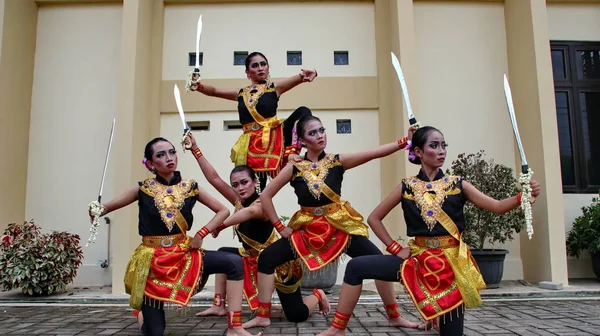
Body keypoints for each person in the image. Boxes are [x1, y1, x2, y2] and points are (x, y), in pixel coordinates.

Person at [316, 126, 542, 336]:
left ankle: (437, 315)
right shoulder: (407, 186)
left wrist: (522, 197)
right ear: (418, 152)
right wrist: (395, 248)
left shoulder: (458, 184)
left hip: (450, 266)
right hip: (417, 260)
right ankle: (338, 328)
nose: (441, 151)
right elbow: (374, 218)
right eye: (434, 145)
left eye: (443, 145)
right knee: (356, 267)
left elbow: (497, 207)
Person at [243, 115, 421, 329]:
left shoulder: (337, 161)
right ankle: (263, 315)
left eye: (321, 130)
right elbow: (266, 196)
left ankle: (394, 316)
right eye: (313, 133)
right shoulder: (294, 168)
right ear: (302, 141)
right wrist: (280, 227)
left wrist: (405, 141)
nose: (320, 136)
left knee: (377, 261)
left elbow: (374, 153)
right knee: (267, 259)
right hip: (307, 231)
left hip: (338, 227)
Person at [87, 137, 261, 336]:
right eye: (160, 155)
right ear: (151, 164)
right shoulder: (142, 188)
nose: (169, 157)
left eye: (172, 152)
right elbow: (105, 208)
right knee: (155, 332)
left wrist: (201, 233)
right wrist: (96, 210)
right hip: (153, 261)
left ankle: (235, 328)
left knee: (233, 262)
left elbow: (222, 210)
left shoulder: (190, 186)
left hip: (183, 252)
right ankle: (142, 313)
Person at [183, 133, 330, 323]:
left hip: (278, 266)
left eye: (244, 182)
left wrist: (219, 225)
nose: (240, 188)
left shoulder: (261, 204)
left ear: (255, 182)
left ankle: (317, 296)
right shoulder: (238, 201)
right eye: (235, 185)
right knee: (222, 255)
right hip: (251, 256)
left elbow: (250, 213)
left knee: (296, 314)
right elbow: (214, 179)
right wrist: (195, 149)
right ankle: (218, 304)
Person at [187, 51, 317, 191]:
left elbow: (301, 77)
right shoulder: (241, 93)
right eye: (255, 66)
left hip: (275, 135)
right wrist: (199, 86)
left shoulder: (274, 88)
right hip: (251, 143)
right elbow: (214, 91)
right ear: (248, 72)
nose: (260, 68)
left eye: (263, 64)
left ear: (268, 68)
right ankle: (255, 209)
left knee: (303, 112)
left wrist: (311, 72)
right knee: (255, 188)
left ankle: (292, 153)